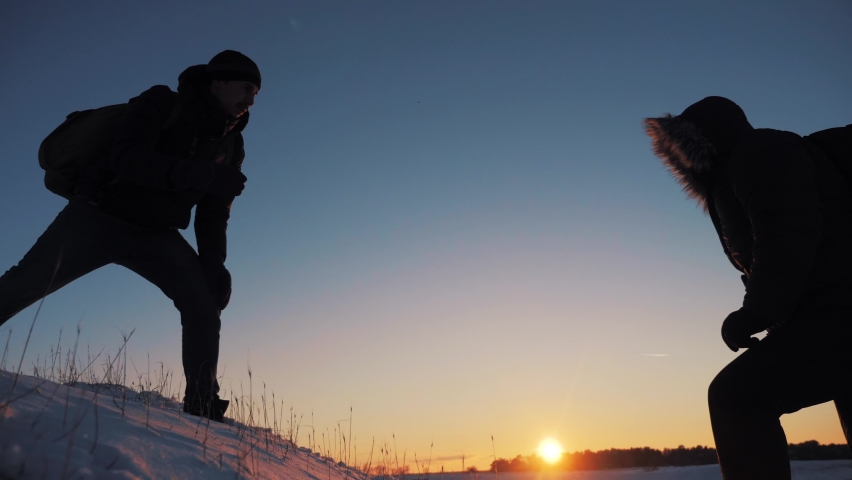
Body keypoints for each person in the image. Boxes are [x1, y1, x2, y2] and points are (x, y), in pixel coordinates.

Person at [0, 50, 261, 422]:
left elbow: (213, 213)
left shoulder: (231, 144)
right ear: (218, 82)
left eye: (256, 94)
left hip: (156, 234)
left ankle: (203, 405)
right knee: (26, 283)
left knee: (204, 304)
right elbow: (127, 159)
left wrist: (214, 264)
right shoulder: (161, 103)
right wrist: (197, 175)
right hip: (98, 216)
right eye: (246, 87)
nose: (251, 100)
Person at [644, 96, 852, 479]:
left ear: (703, 139)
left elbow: (787, 231)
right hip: (831, 313)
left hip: (840, 314)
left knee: (735, 398)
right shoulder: (737, 171)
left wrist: (758, 311)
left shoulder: (761, 153)